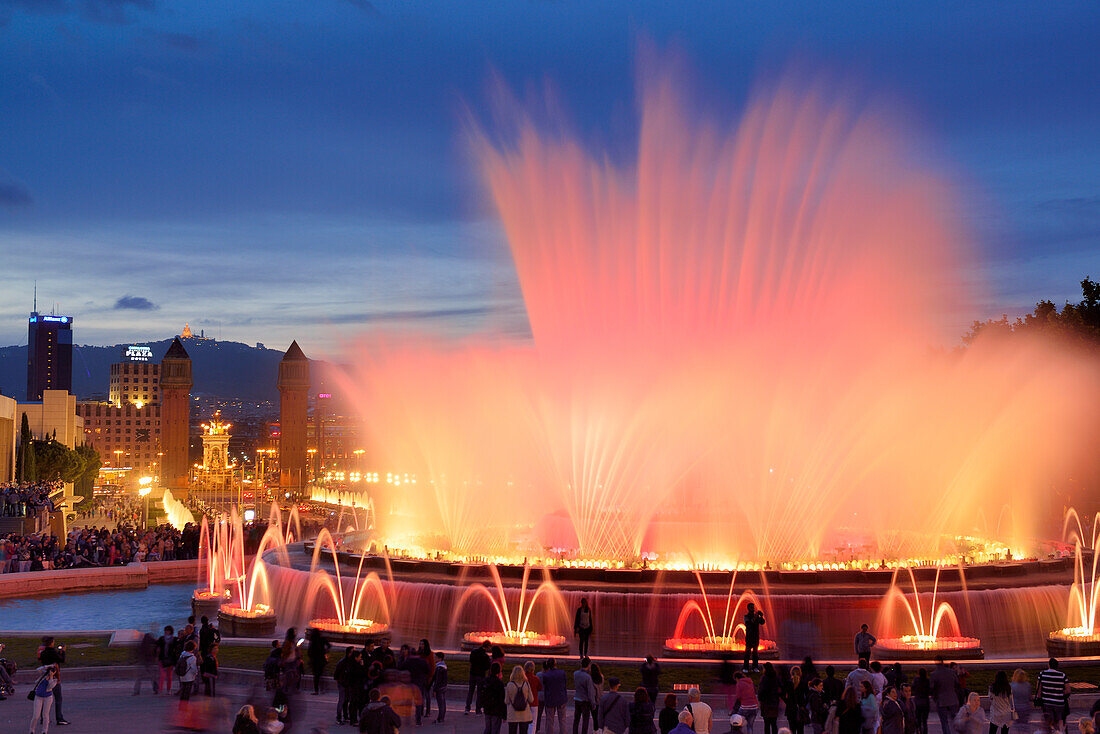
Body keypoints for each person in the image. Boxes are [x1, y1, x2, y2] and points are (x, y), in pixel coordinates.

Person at [36, 636, 69, 726]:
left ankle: (43, 718)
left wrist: (59, 653)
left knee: (45, 698)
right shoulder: (52, 652)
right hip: (53, 678)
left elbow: (52, 658)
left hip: (45, 677)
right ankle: (59, 718)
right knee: (58, 698)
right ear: (51, 643)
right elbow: (61, 659)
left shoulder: (43, 652)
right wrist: (63, 652)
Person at [930, 656, 962, 734]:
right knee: (954, 720)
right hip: (953, 699)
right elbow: (957, 684)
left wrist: (935, 698)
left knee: (944, 722)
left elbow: (931, 688)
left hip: (941, 701)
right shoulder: (951, 672)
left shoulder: (934, 674)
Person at [1036, 658, 1068, 731]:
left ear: (1048, 665)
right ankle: (1060, 732)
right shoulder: (1062, 675)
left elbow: (1038, 689)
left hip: (1047, 701)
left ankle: (1050, 731)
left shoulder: (1042, 674)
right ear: (1057, 666)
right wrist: (1059, 692)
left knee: (1049, 720)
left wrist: (1039, 698)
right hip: (1059, 702)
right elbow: (1068, 690)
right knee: (1060, 719)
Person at [29, 663, 59, 734]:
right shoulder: (43, 675)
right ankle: (31, 730)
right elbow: (37, 670)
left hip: (48, 698)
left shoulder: (55, 679)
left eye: (53, 670)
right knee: (36, 715)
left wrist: (51, 677)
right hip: (38, 696)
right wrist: (47, 666)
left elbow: (50, 686)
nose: (51, 671)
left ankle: (44, 731)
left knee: (45, 715)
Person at [542, 658, 569, 734]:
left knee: (550, 720)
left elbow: (545, 687)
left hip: (550, 699)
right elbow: (564, 684)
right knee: (562, 720)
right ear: (555, 664)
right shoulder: (562, 673)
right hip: (561, 698)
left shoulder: (546, 675)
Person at [507, 665, 536, 734]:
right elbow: (531, 699)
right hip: (524, 715)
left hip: (513, 714)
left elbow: (506, 700)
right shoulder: (526, 684)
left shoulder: (509, 684)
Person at [574, 657, 598, 734]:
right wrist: (593, 704)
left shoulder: (575, 674)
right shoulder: (588, 677)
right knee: (585, 720)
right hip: (585, 701)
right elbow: (590, 692)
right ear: (588, 665)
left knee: (576, 719)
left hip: (577, 698)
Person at [469, 640, 493, 715]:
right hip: (480, 675)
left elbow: (471, 661)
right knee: (479, 693)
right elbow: (487, 666)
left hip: (472, 673)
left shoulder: (474, 652)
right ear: (488, 647)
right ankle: (478, 710)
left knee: (470, 691)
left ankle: (467, 708)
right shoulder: (485, 656)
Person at [335, 647, 357, 726]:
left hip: (347, 684)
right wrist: (340, 681)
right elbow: (336, 673)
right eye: (353, 651)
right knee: (342, 700)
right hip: (343, 683)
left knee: (346, 700)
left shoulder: (350, 661)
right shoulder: (343, 662)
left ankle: (345, 716)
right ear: (349, 653)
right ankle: (338, 718)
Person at [483, 662, 508, 734]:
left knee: (488, 728)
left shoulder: (486, 681)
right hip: (496, 711)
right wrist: (504, 715)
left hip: (487, 708)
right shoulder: (499, 683)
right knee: (495, 730)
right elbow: (502, 700)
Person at [743, 603, 766, 672]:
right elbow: (749, 623)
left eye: (753, 607)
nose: (753, 609)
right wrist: (756, 616)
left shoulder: (757, 617)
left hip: (755, 637)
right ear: (748, 608)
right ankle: (745, 668)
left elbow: (762, 622)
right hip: (749, 637)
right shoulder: (746, 616)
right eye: (751, 607)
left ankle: (755, 667)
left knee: (755, 653)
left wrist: (761, 616)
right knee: (747, 653)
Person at [308, 628, 331, 696]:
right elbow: (329, 645)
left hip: (314, 660)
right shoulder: (322, 639)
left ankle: (316, 690)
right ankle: (323, 688)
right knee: (321, 674)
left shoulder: (312, 640)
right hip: (321, 659)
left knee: (316, 676)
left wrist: (310, 658)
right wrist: (325, 651)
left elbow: (310, 651)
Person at [759, 664, 782, 734]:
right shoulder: (776, 677)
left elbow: (761, 691)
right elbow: (781, 687)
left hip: (766, 703)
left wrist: (760, 700)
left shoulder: (764, 678)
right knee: (774, 723)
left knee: (767, 724)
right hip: (774, 703)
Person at [156, 625, 178, 695]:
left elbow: (176, 649)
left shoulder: (174, 639)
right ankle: (160, 690)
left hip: (170, 659)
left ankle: (169, 690)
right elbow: (157, 647)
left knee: (169, 676)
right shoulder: (161, 639)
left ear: (171, 631)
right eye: (165, 630)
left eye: (168, 630)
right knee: (162, 675)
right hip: (162, 659)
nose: (166, 631)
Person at [785, 665, 806, 734]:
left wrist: (787, 701)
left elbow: (783, 694)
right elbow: (807, 696)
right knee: (800, 730)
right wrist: (803, 704)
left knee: (792, 729)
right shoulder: (803, 683)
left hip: (790, 709)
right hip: (800, 708)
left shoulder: (788, 683)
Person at [911, 669, 931, 734]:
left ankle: (918, 730)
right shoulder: (927, 681)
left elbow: (913, 688)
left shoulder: (916, 681)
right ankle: (925, 731)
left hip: (918, 701)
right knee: (924, 720)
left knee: (918, 719)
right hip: (925, 702)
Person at [432, 652, 449, 723]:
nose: (434, 659)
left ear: (440, 658)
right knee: (443, 703)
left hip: (439, 688)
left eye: (436, 657)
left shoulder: (439, 668)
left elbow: (437, 680)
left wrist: (434, 690)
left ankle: (440, 719)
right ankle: (441, 717)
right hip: (443, 687)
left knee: (440, 704)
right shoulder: (444, 666)